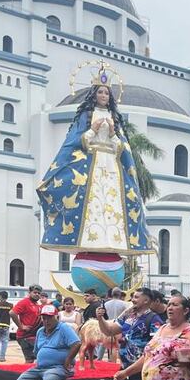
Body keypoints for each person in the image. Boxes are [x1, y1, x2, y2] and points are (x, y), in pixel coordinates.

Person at [36, 79, 151, 260]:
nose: (103, 96)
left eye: (106, 93)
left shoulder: (115, 117)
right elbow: (75, 141)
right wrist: (92, 130)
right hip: (91, 164)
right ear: (94, 95)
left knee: (112, 203)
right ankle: (91, 239)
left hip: (112, 166)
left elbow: (122, 147)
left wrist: (112, 133)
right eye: (100, 92)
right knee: (91, 202)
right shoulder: (87, 115)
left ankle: (113, 240)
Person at [12, 304, 81, 380]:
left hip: (59, 367)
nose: (46, 321)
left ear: (56, 317)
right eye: (44, 318)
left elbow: (76, 343)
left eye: (49, 318)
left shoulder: (63, 328)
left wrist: (68, 359)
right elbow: (37, 350)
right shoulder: (40, 331)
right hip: (41, 367)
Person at [10, 284, 43, 361]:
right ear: (29, 292)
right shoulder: (25, 302)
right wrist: (21, 326)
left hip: (33, 336)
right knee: (30, 360)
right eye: (35, 292)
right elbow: (12, 313)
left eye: (39, 293)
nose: (37, 294)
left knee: (37, 358)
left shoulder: (37, 304)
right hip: (25, 336)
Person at [0, 291, 12, 362]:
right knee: (4, 342)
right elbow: (12, 314)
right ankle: (2, 357)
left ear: (0, 296)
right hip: (6, 325)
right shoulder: (11, 305)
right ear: (7, 297)